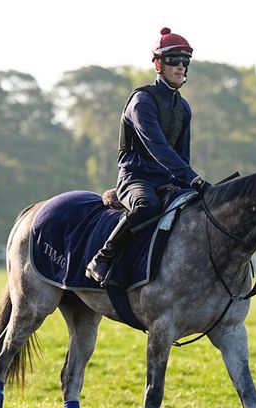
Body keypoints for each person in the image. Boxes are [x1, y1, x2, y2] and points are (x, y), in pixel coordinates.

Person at [86, 27, 209, 285]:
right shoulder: (142, 100)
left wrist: (193, 186)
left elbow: (181, 156)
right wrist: (196, 180)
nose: (180, 66)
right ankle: (103, 257)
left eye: (185, 61)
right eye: (173, 60)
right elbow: (158, 148)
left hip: (167, 181)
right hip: (135, 178)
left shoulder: (183, 108)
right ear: (158, 64)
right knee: (147, 206)